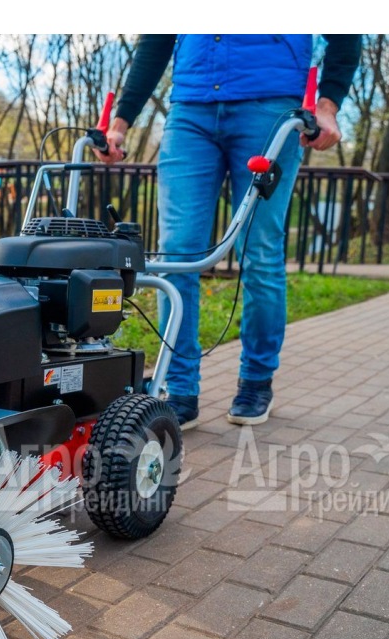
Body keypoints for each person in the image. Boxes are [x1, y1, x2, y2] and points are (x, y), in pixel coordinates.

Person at [96, 34, 362, 428]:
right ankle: (179, 388)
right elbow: (157, 40)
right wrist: (120, 123)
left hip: (270, 105)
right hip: (191, 107)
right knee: (176, 255)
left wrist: (327, 105)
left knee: (259, 251)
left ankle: (256, 380)